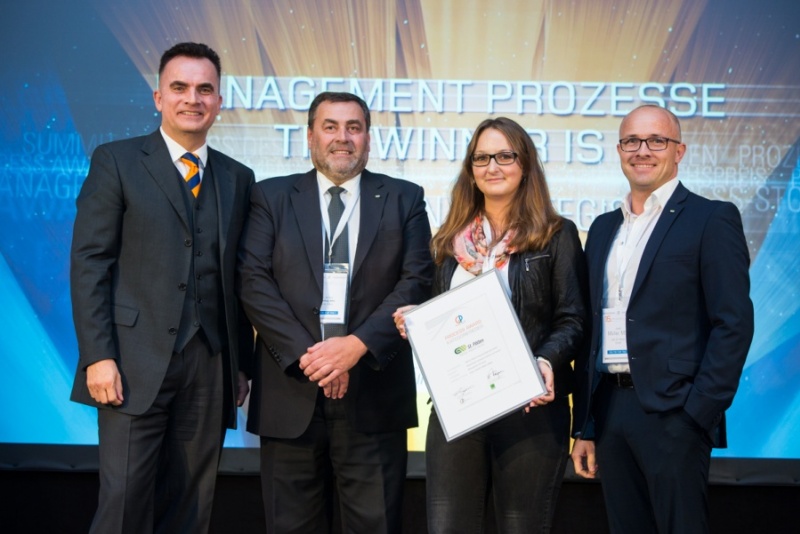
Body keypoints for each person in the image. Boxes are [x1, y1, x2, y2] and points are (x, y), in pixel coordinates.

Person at [70, 42, 255, 533]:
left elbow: (237, 279)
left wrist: (242, 366)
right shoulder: (116, 161)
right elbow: (89, 263)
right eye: (180, 87)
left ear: (219, 101)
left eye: (204, 89)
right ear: (158, 97)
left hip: (210, 368)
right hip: (130, 364)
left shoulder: (239, 178)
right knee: (125, 503)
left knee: (192, 508)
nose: (192, 98)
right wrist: (97, 355)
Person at [237, 91, 434, 533]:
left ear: (367, 138)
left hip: (374, 393)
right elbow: (254, 282)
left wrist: (355, 346)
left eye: (354, 127)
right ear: (310, 136)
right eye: (330, 126)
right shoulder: (270, 197)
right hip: (291, 391)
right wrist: (318, 359)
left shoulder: (404, 198)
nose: (342, 138)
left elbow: (416, 280)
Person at [393, 117, 587, 533]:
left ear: (525, 164)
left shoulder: (556, 235)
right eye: (481, 157)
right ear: (470, 169)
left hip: (529, 412)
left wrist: (547, 360)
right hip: (457, 411)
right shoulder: (446, 242)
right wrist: (415, 321)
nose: (492, 166)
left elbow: (572, 318)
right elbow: (437, 318)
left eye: (504, 155)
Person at [570, 105, 754, 534]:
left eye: (657, 141)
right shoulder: (601, 228)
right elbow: (593, 332)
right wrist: (587, 424)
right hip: (611, 409)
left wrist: (697, 413)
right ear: (619, 150)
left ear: (679, 151)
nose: (643, 151)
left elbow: (734, 323)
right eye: (632, 141)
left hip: (675, 414)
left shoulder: (711, 218)